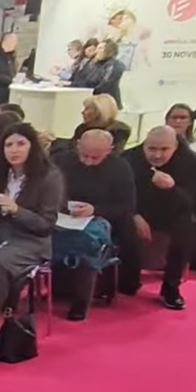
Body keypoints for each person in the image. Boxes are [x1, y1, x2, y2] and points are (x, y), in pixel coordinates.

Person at [0, 123, 64, 356]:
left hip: (31, 240)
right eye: (8, 145)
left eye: (20, 144)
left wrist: (17, 210)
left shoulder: (50, 177)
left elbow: (45, 225)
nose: (14, 150)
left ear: (32, 146)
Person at [118, 126, 196, 310]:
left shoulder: (193, 162)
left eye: (164, 149)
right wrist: (135, 214)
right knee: (122, 224)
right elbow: (119, 194)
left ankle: (171, 287)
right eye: (152, 149)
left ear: (175, 147)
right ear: (144, 145)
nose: (157, 155)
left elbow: (192, 200)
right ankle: (128, 278)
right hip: (138, 208)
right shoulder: (129, 158)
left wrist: (172, 189)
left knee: (185, 229)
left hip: (174, 210)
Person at [53, 129, 133, 320]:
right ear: (77, 145)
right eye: (84, 155)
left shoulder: (120, 168)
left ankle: (81, 301)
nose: (88, 161)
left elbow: (126, 207)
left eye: (95, 158)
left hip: (101, 220)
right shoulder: (61, 161)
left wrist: (94, 210)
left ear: (109, 151)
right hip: (63, 217)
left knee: (86, 242)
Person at [86, 39, 126, 107]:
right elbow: (89, 81)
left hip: (109, 104)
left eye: (100, 48)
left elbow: (105, 84)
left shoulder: (115, 65)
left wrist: (90, 92)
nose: (96, 51)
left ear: (109, 50)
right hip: (97, 101)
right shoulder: (97, 64)